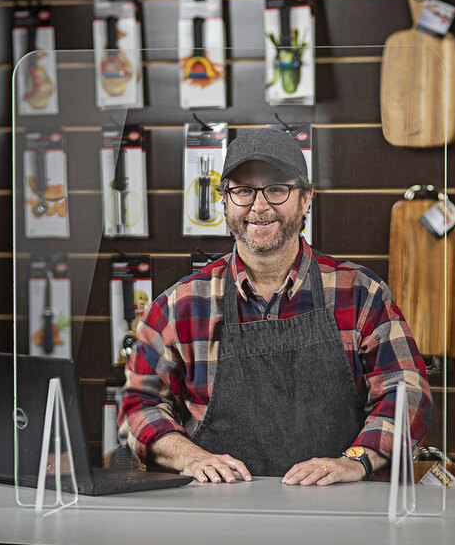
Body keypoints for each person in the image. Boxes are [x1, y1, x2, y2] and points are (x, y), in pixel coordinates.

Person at [117, 128, 432, 486]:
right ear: (224, 200)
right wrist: (191, 457)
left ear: (306, 199)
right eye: (243, 190)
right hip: (218, 515)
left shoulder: (360, 294)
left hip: (337, 511)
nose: (259, 205)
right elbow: (137, 404)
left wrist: (355, 461)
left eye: (277, 189)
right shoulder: (181, 306)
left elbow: (408, 392)